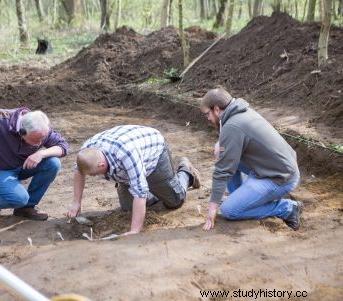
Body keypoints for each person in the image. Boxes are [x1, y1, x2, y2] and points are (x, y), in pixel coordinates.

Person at [66, 125, 201, 235]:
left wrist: (134, 231)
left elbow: (140, 192)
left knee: (174, 201)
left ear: (102, 165)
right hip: (130, 164)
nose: (93, 176)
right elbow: (79, 171)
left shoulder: (126, 154)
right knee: (128, 207)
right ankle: (156, 188)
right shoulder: (86, 151)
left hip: (153, 155)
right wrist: (76, 202)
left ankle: (186, 171)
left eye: (94, 174)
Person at [200, 88, 303, 231]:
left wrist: (213, 208)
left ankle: (287, 208)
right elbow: (229, 146)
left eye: (207, 114)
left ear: (216, 109)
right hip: (276, 167)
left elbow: (222, 171)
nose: (208, 119)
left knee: (229, 210)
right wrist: (220, 143)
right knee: (223, 152)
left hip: (279, 178)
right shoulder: (239, 112)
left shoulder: (233, 125)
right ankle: (240, 196)